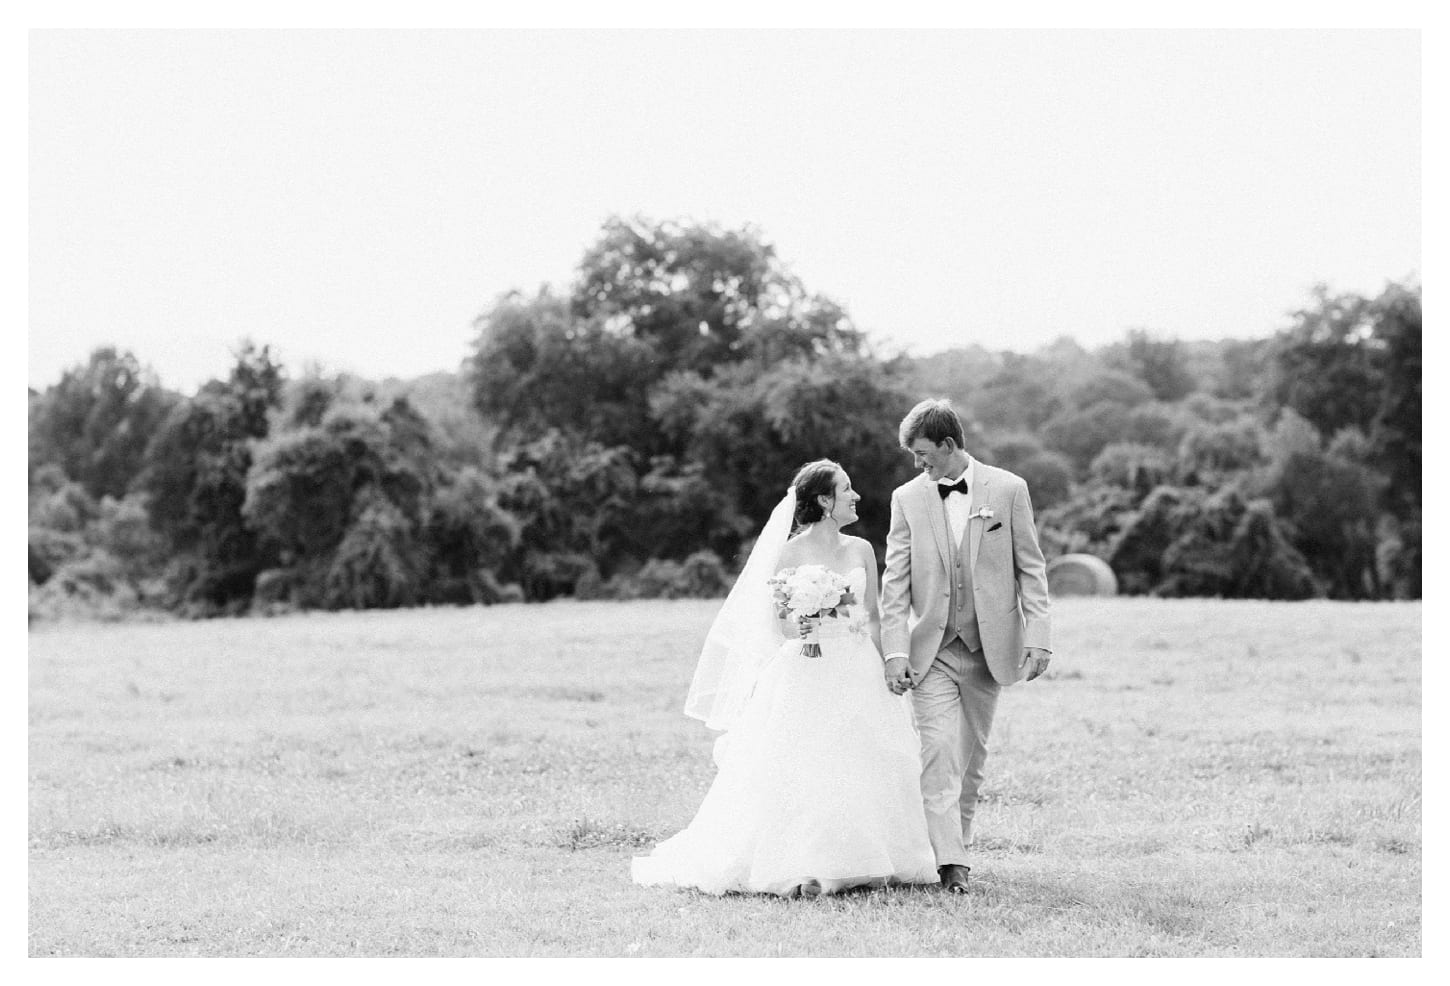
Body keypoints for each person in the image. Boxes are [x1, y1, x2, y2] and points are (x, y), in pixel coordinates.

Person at [632, 459, 938, 897]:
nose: (855, 496)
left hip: (856, 667)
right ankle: (804, 864)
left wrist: (887, 663)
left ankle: (868, 858)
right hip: (806, 669)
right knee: (805, 761)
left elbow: (871, 617)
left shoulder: (861, 550)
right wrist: (804, 623)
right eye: (846, 489)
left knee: (861, 757)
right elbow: (779, 626)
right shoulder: (789, 553)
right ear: (823, 500)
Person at [879, 399, 1053, 894]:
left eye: (923, 453)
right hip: (930, 650)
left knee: (970, 760)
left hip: (988, 649)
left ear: (950, 445)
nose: (919, 464)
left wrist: (1039, 638)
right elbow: (895, 582)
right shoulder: (906, 498)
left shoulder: (1009, 489)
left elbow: (1031, 569)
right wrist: (894, 652)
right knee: (937, 754)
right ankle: (951, 866)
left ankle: (960, 848)